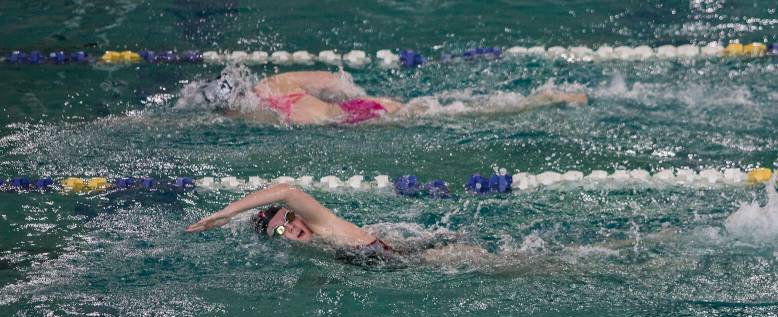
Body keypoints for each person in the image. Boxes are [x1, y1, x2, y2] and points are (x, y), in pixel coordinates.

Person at [185, 182, 483, 264]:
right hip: (405, 256)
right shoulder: (315, 250)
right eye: (280, 230)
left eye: (288, 218)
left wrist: (229, 211)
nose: (289, 228)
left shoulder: (324, 225)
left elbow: (287, 191)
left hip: (427, 259)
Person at [185, 66, 587, 126]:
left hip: (363, 120)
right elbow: (330, 78)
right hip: (361, 108)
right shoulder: (275, 83)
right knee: (451, 110)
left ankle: (543, 99)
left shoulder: (252, 114)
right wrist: (359, 95)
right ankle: (544, 98)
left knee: (459, 115)